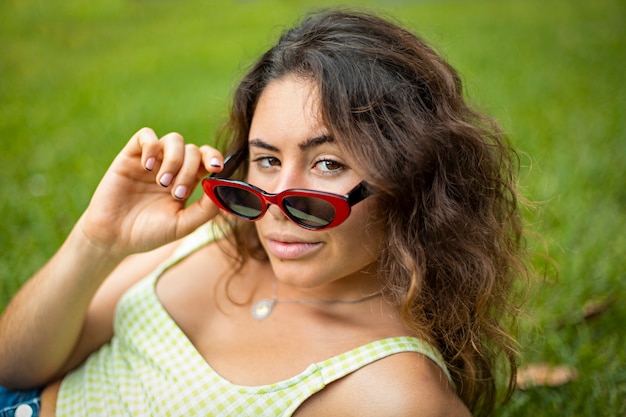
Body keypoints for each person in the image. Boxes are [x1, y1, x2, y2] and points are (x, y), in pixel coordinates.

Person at [0, 8, 528, 417]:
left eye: (327, 163)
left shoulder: (392, 390)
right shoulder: (225, 229)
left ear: (410, 177)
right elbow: (15, 364)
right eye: (267, 158)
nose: (277, 202)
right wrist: (98, 242)